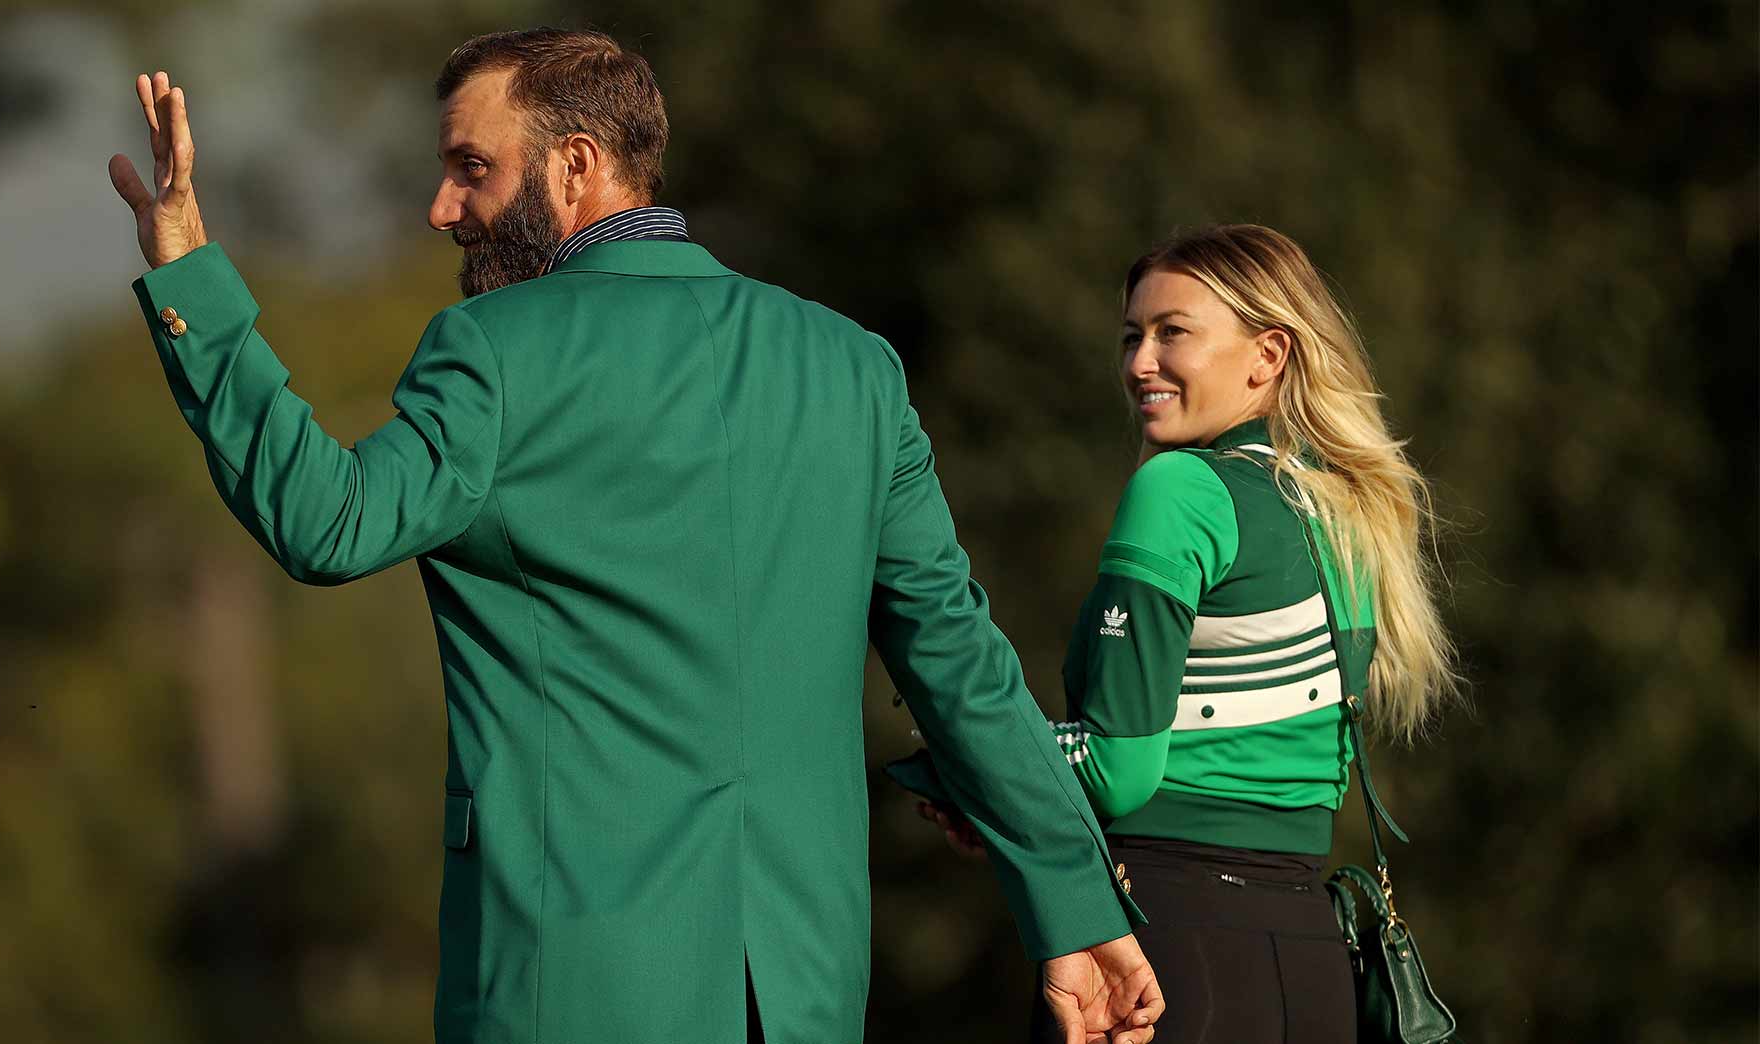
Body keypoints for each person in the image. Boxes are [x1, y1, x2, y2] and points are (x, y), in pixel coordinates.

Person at [105, 28, 1167, 1044]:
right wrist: (1074, 911)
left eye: (469, 168)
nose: (441, 208)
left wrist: (192, 277)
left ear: (573, 167)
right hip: (801, 988)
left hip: (562, 984)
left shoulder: (492, 352)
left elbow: (326, 521)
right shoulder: (852, 366)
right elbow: (962, 670)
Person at [920, 224, 1458, 1042]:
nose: (1140, 362)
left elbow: (1117, 768)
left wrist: (973, 766)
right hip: (1314, 964)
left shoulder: (1180, 489)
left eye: (1174, 333)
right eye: (1132, 335)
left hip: (1166, 952)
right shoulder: (1347, 508)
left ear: (1267, 354)